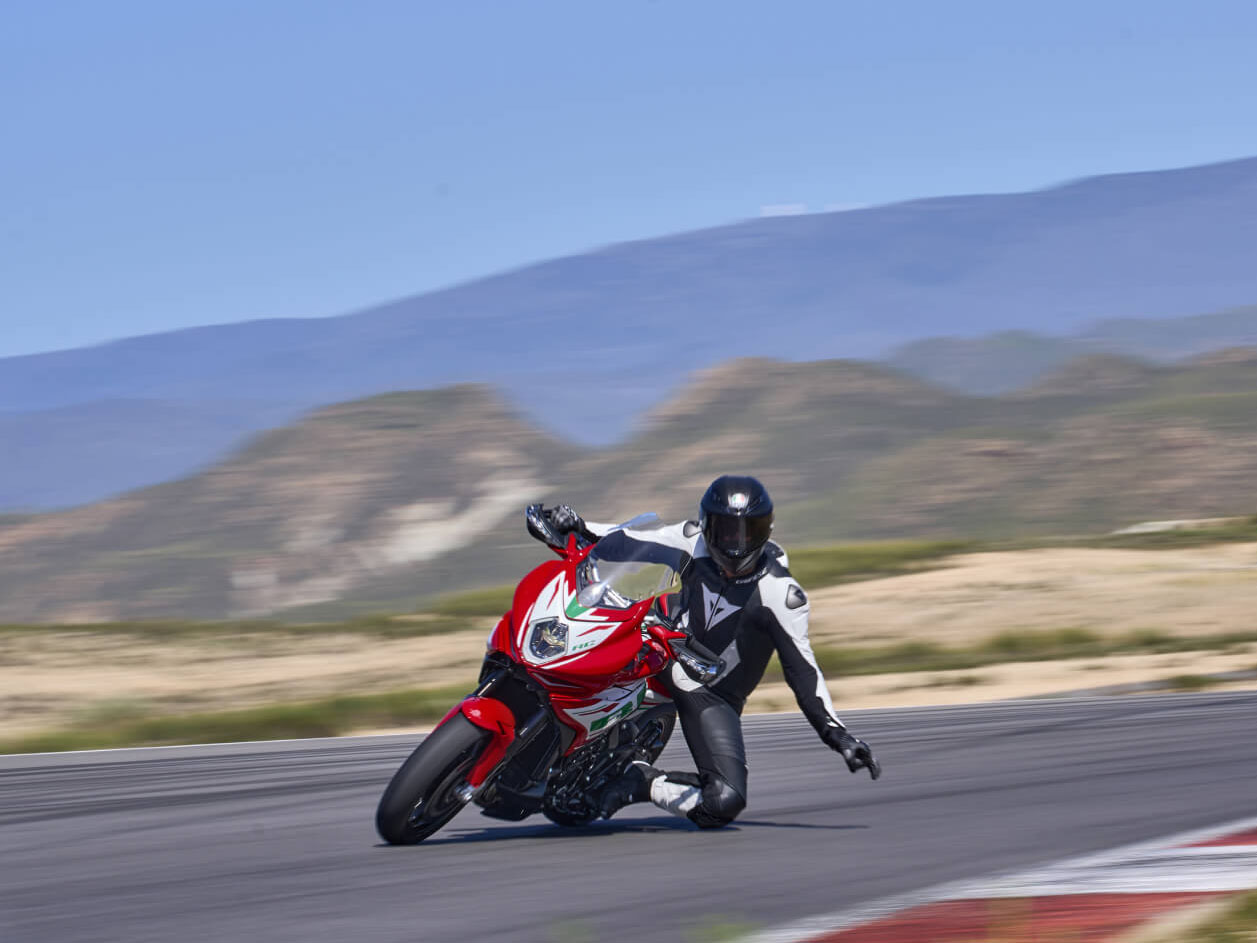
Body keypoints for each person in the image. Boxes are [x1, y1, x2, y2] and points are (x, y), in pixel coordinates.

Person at [534, 474, 880, 830]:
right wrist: (576, 525)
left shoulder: (782, 595)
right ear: (706, 525)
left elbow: (803, 673)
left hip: (713, 693)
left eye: (748, 531)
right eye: (726, 531)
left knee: (725, 801)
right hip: (660, 651)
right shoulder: (691, 539)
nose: (736, 544)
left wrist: (837, 735)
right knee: (585, 637)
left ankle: (640, 782)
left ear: (767, 530)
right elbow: (627, 538)